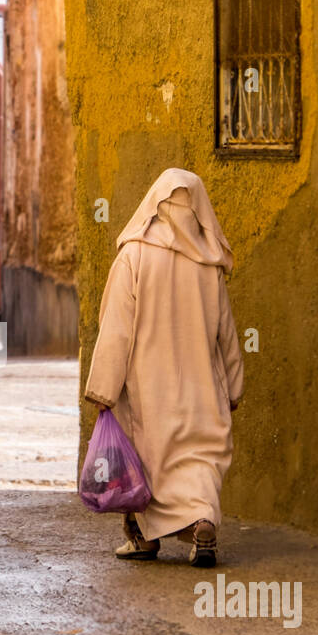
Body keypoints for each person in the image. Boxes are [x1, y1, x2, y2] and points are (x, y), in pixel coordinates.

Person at [83, 168, 243, 567]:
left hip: (147, 389)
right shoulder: (209, 263)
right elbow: (228, 334)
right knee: (200, 460)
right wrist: (234, 387)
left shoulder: (134, 255)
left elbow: (116, 328)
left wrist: (104, 388)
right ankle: (202, 522)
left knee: (144, 460)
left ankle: (142, 538)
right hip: (203, 389)